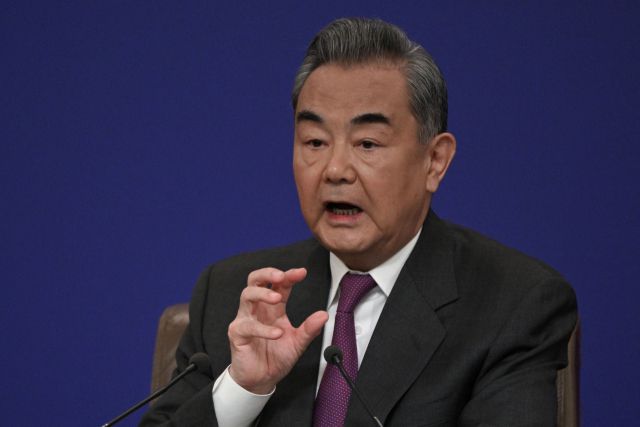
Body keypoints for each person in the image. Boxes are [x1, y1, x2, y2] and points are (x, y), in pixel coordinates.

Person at [140, 18, 577, 426]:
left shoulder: (512, 303)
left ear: (435, 161)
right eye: (315, 141)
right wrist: (242, 389)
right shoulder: (237, 297)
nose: (335, 170)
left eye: (367, 143)